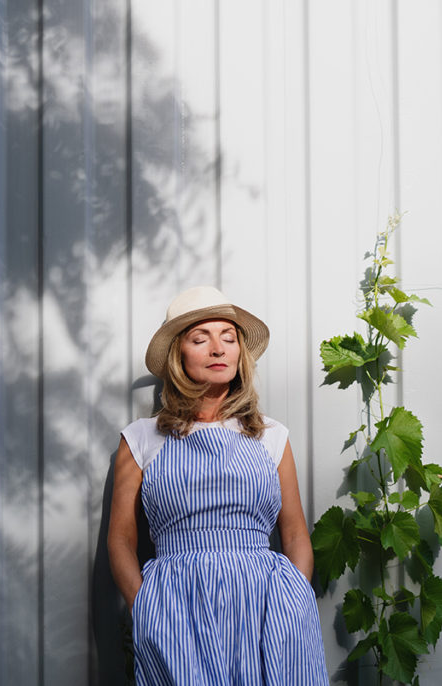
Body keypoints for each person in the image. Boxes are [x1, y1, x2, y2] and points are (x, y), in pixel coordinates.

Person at [108, 286, 329, 685]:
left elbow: (295, 531)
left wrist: (295, 598)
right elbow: (121, 539)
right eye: (200, 338)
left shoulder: (271, 436)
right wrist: (145, 606)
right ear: (179, 355)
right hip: (177, 607)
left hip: (267, 606)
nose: (218, 349)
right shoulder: (142, 438)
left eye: (229, 338)